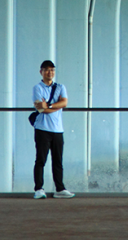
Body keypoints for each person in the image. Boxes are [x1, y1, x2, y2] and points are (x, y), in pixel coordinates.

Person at [32, 60, 75, 199]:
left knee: (58, 161)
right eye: (46, 70)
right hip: (42, 129)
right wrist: (54, 106)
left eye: (52, 70)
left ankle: (60, 188)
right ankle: (38, 188)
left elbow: (65, 102)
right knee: (40, 160)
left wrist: (49, 105)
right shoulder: (37, 88)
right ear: (41, 72)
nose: (50, 72)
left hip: (57, 130)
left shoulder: (60, 87)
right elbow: (40, 108)